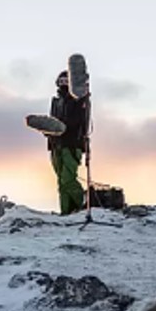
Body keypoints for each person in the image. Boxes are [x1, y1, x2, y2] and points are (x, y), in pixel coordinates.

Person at [47, 70, 88, 215]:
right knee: (61, 181)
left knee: (68, 178)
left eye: (66, 81)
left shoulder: (78, 101)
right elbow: (51, 121)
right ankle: (66, 211)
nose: (63, 84)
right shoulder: (56, 102)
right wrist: (46, 129)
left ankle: (83, 204)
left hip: (71, 144)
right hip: (55, 145)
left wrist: (61, 126)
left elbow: (79, 121)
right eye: (61, 81)